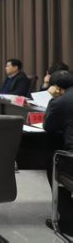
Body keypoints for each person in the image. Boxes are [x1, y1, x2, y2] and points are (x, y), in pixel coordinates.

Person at [43, 71, 73, 234]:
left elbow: (49, 126)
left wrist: (53, 99)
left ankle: (68, 219)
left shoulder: (61, 102)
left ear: (57, 88)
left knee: (52, 161)